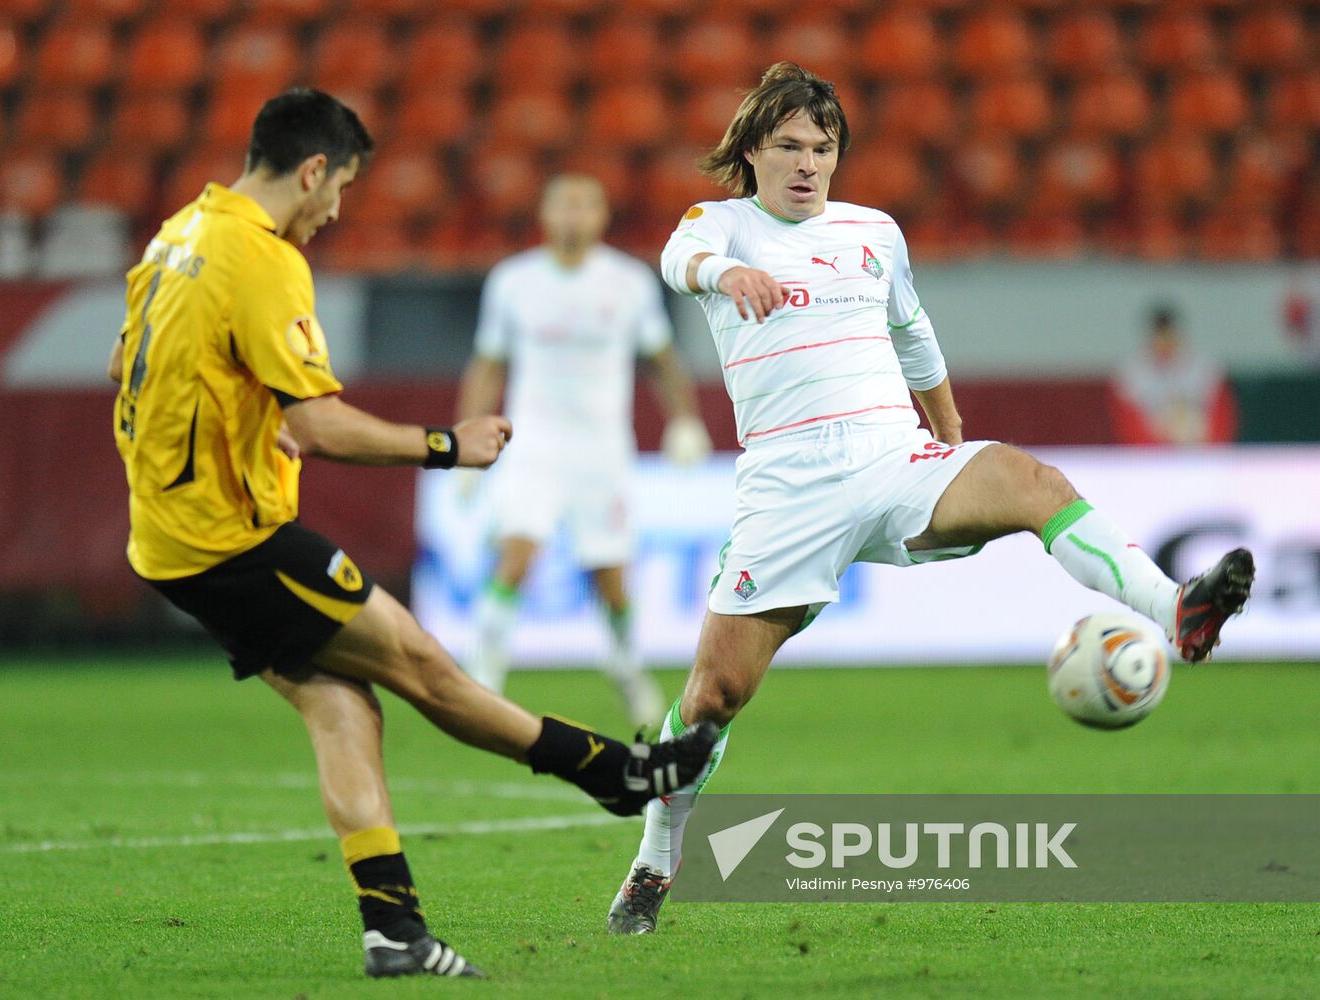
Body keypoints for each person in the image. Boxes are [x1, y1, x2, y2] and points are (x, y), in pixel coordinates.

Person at [605, 63, 1255, 935]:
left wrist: (949, 430)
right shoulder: (720, 226)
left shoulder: (873, 231)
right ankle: (654, 862)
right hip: (788, 489)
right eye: (789, 147)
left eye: (822, 148)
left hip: (893, 456)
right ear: (753, 151)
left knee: (1035, 483)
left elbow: (913, 333)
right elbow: (676, 257)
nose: (806, 164)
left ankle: (1174, 609)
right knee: (715, 696)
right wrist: (725, 276)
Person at [105, 89, 717, 979]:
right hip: (231, 537)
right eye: (341, 188)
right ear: (313, 170)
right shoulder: (261, 259)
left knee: (339, 705)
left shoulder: (177, 236)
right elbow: (320, 428)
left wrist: (227, 414)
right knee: (425, 668)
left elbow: (128, 364)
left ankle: (394, 932)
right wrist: (447, 446)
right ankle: (617, 774)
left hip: (165, 537)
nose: (337, 211)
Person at [456, 174, 712, 725]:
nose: (574, 216)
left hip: (602, 451)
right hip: (535, 444)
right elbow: (488, 363)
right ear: (545, 215)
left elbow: (662, 358)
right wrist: (465, 437)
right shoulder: (513, 282)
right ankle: (484, 673)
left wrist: (686, 421)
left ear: (601, 216)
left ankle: (624, 664)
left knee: (611, 580)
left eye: (585, 206)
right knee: (517, 553)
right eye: (564, 205)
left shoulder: (627, 283)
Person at [1110, 305, 1237, 445]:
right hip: (1151, 457)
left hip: (1201, 452)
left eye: (1169, 338)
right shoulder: (1131, 374)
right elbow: (1129, 427)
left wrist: (1204, 445)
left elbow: (1223, 420)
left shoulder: (1205, 368)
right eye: (1159, 339)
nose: (1165, 346)